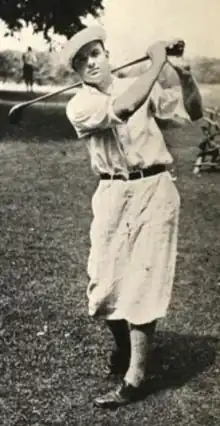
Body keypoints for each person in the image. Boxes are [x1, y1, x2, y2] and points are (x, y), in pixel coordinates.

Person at [63, 26, 203, 408]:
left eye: (95, 53)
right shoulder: (78, 105)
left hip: (155, 188)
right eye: (81, 60)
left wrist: (183, 73)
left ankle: (136, 378)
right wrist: (156, 62)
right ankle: (128, 351)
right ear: (76, 72)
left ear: (108, 55)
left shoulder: (140, 84)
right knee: (104, 285)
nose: (90, 62)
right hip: (111, 193)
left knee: (143, 281)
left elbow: (192, 112)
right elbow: (122, 109)